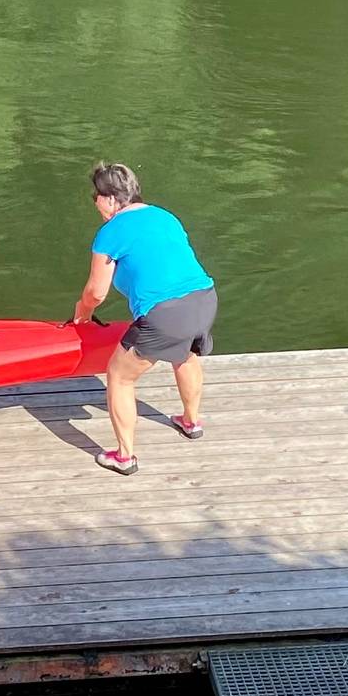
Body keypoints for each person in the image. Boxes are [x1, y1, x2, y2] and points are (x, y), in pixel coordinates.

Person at [67, 162, 217, 474]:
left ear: (109, 198)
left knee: (120, 377)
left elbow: (96, 292)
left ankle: (124, 456)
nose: (94, 202)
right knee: (186, 355)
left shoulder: (111, 232)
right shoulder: (165, 216)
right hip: (204, 299)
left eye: (95, 195)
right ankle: (191, 422)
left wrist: (83, 313)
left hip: (165, 314)